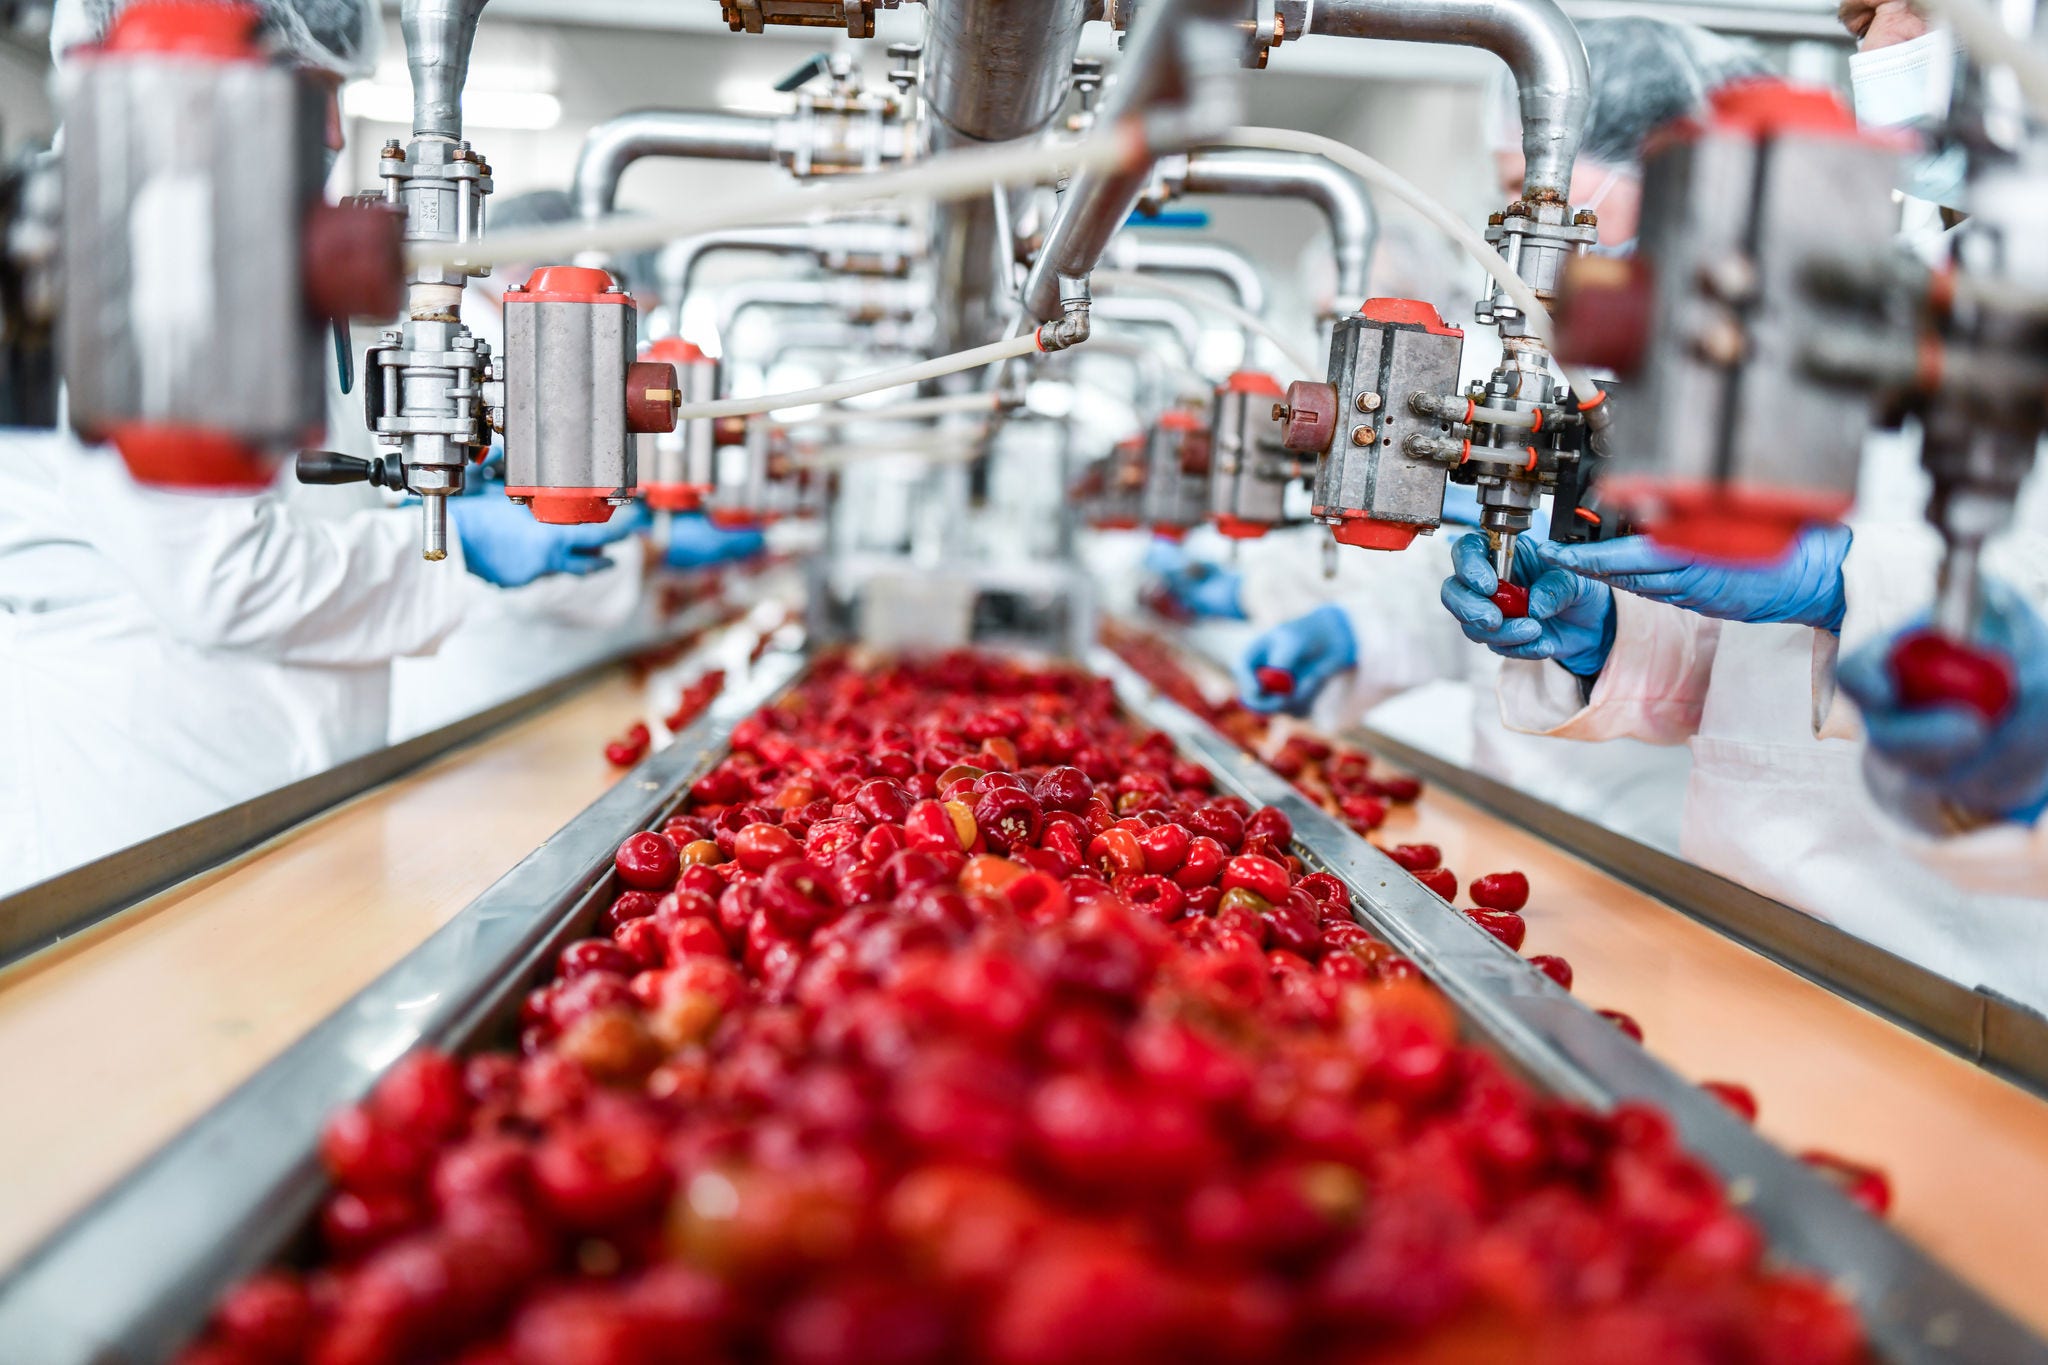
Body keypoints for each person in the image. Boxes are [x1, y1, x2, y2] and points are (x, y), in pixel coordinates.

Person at [1438, 15, 2048, 1005]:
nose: (1882, 39)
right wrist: (1609, 639)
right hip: (1746, 933)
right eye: (1863, 16)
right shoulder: (1889, 277)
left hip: (1976, 989)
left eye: (1912, 7)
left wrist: (1841, 580)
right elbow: (1767, 683)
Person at [0, 0, 645, 895]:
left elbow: (321, 491)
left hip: (295, 776)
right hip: (144, 791)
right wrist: (459, 551)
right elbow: (222, 579)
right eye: (303, 90)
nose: (335, 131)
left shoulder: (239, 240)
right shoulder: (125, 241)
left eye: (337, 95)